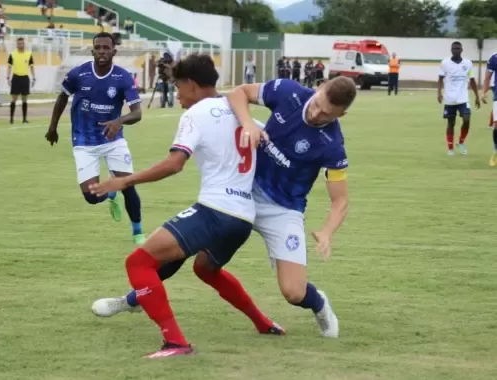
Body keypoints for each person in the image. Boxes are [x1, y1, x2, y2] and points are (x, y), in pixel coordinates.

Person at [94, 76, 356, 340]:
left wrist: (327, 232)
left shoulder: (332, 145)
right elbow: (239, 92)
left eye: (326, 114)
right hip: (240, 192)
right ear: (319, 88)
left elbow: (340, 200)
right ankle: (133, 299)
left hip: (283, 209)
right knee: (182, 248)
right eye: (317, 104)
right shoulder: (289, 92)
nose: (316, 113)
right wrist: (247, 124)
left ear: (342, 115)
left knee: (293, 292)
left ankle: (319, 304)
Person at [88, 53, 284, 358]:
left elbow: (175, 163)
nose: (177, 95)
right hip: (243, 218)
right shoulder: (243, 114)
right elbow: (275, 149)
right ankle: (263, 323)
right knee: (206, 269)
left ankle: (175, 341)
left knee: (138, 262)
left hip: (215, 211)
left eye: (178, 87)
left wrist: (123, 181)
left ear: (191, 84)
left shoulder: (197, 113)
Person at [44, 32, 146, 244]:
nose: (101, 51)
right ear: (92, 51)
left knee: (128, 184)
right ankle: (110, 195)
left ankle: (138, 233)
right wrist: (52, 127)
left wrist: (119, 121)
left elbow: (137, 113)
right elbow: (62, 96)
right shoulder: (78, 75)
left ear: (113, 51)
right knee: (91, 197)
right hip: (84, 141)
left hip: (113, 140)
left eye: (106, 48)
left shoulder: (123, 77)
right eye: (98, 47)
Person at [437, 41, 480, 156]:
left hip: (463, 98)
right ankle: (450, 148)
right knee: (451, 123)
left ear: (461, 50)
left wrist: (477, 96)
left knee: (466, 119)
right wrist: (439, 93)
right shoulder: (445, 63)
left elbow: (472, 80)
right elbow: (440, 78)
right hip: (449, 99)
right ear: (451, 50)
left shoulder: (468, 63)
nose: (455, 50)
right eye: (454, 48)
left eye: (457, 48)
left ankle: (461, 142)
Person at [7, 37, 36, 124]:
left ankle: (24, 119)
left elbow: (32, 67)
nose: (20, 45)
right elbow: (9, 67)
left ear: (24, 44)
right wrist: (8, 77)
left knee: (24, 99)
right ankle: (11, 119)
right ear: (16, 44)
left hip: (25, 78)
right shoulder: (12, 54)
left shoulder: (29, 54)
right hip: (16, 77)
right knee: (14, 99)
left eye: (22, 43)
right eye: (19, 44)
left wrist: (34, 77)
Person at [481, 51, 497, 166]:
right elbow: (487, 77)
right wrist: (484, 92)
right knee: (496, 127)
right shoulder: (494, 58)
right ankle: (496, 152)